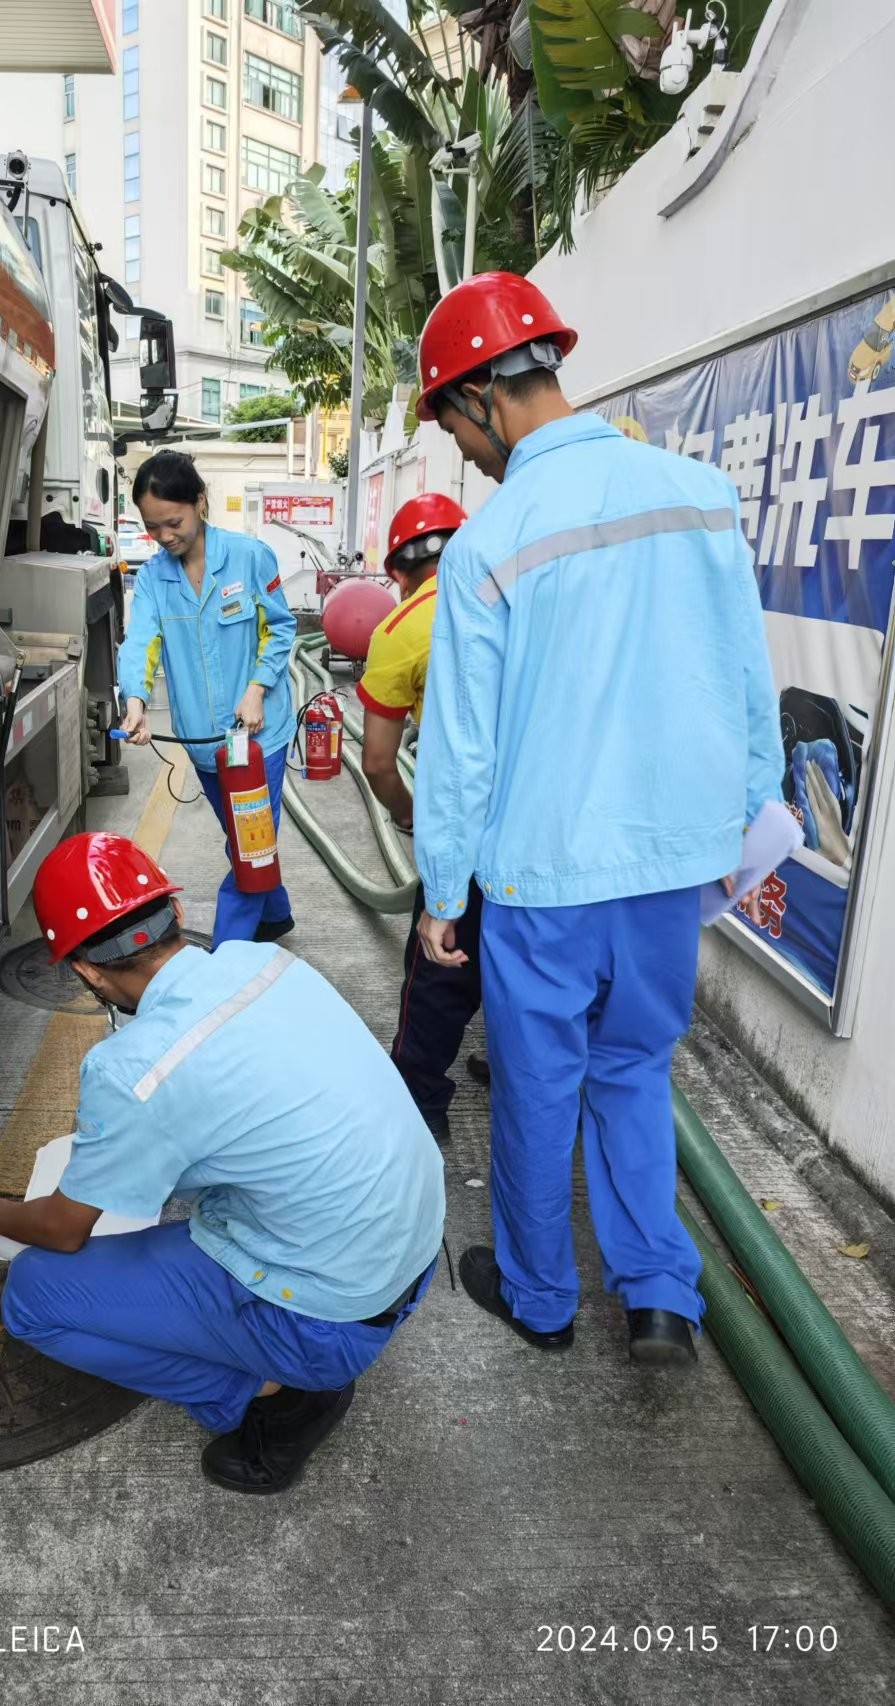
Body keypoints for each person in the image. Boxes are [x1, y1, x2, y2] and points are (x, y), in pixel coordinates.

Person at [411, 273, 782, 1367]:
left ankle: (539, 1296)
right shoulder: (700, 494)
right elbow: (746, 681)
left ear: (483, 393)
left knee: (538, 1085)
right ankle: (659, 1289)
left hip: (544, 876)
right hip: (671, 871)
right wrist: (751, 817)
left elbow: (461, 750)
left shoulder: (489, 542)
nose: (461, 451)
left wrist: (442, 894)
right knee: (633, 1069)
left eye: (449, 421)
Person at [0, 832, 445, 1493]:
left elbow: (67, 1228)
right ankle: (284, 1360)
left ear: (88, 971)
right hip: (407, 1253)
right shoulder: (262, 963)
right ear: (176, 915)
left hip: (328, 1319)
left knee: (36, 1297)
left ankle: (266, 1392)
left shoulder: (132, 1069)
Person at [118, 451, 297, 946]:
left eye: (172, 522)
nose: (164, 536)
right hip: (204, 745)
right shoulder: (154, 578)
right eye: (153, 528)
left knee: (249, 846)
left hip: (259, 740)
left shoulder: (249, 556)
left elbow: (281, 629)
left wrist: (258, 687)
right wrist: (134, 700)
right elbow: (141, 642)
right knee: (246, 836)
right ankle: (275, 913)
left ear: (199, 502)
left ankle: (227, 953)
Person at [357, 493, 490, 1148]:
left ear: (399, 569)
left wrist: (409, 818)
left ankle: (418, 1101)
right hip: (546, 825)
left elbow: (378, 763)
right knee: (527, 964)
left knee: (439, 969)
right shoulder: (514, 598)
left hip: (461, 833)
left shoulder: (400, 627)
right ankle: (519, 1069)